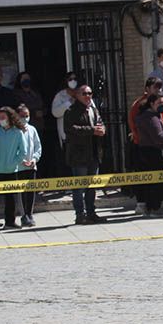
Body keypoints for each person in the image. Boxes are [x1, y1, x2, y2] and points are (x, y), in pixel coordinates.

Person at [64, 83, 108, 225]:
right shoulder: (71, 111)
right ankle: (80, 214)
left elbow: (100, 123)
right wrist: (92, 130)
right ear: (77, 95)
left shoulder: (93, 110)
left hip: (94, 153)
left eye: (90, 93)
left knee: (92, 186)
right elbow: (70, 129)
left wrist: (102, 129)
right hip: (79, 155)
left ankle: (91, 212)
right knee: (79, 186)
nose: (88, 96)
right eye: (84, 94)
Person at [134, 93, 163, 217]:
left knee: (155, 182)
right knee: (155, 182)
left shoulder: (154, 116)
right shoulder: (151, 118)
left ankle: (153, 207)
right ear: (151, 104)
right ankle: (155, 208)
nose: (162, 105)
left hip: (149, 152)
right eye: (159, 103)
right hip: (153, 153)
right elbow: (158, 137)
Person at [14, 104, 42, 227]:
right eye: (22, 116)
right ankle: (23, 215)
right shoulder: (14, 130)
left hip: (31, 166)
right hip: (18, 167)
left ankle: (29, 213)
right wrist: (21, 161)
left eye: (27, 116)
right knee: (20, 193)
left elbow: (37, 146)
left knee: (30, 191)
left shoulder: (32, 129)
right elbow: (12, 149)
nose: (24, 118)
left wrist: (34, 159)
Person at [51, 71, 79, 148]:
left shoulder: (83, 93)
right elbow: (55, 112)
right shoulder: (60, 95)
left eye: (75, 79)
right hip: (67, 135)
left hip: (82, 134)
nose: (73, 81)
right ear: (66, 81)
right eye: (70, 79)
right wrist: (69, 102)